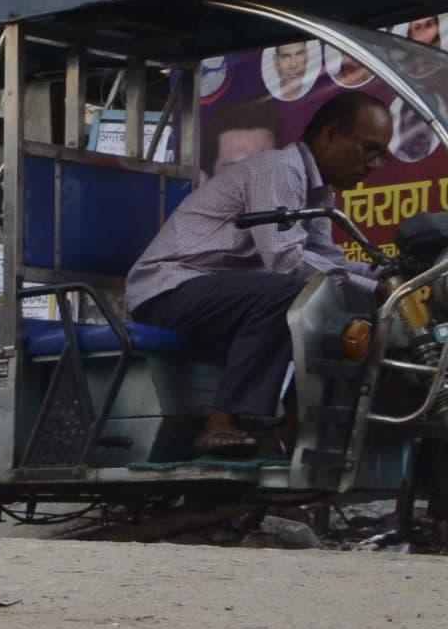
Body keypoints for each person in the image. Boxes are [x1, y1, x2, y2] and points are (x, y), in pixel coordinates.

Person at [126, 90, 391, 459]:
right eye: (370, 149)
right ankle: (225, 421)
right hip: (171, 287)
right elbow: (287, 261)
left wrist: (385, 277)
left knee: (336, 306)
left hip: (217, 293)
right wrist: (372, 286)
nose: (376, 164)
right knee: (289, 292)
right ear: (331, 134)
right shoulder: (279, 169)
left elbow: (328, 262)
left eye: (383, 155)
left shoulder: (317, 196)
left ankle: (293, 429)